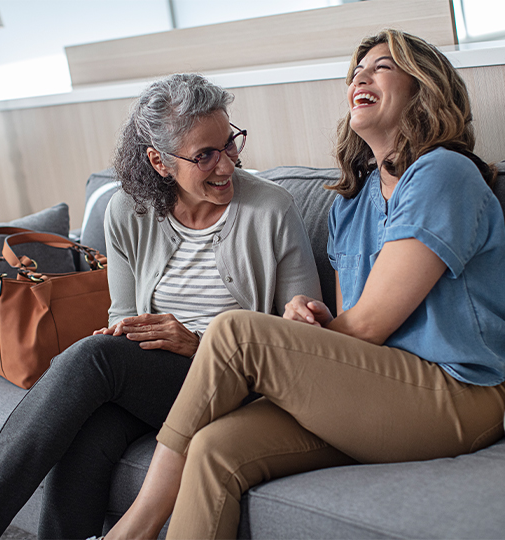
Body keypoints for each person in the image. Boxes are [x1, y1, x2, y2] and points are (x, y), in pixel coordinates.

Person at [102, 29, 505, 540]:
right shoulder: (351, 203)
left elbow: (369, 325)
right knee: (214, 447)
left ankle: (133, 529)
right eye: (357, 70)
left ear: (423, 87)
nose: (361, 76)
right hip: (378, 391)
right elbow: (350, 327)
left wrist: (291, 343)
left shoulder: (443, 172)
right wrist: (308, 323)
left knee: (236, 332)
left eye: (382, 67)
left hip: (459, 395)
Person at [0, 74, 322, 540]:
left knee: (94, 358)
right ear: (159, 162)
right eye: (205, 155)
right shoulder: (127, 211)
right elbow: (124, 316)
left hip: (235, 383)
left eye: (230, 143)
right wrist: (127, 337)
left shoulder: (272, 209)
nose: (227, 164)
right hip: (158, 381)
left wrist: (198, 343)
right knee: (92, 426)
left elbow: (299, 343)